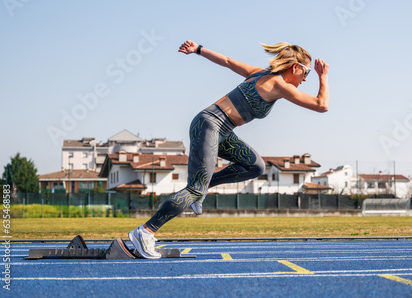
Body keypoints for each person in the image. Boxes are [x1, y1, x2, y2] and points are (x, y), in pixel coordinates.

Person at [129, 40, 329, 258]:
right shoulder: (279, 84)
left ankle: (205, 187)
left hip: (222, 131)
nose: (305, 78)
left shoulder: (257, 73)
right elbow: (322, 105)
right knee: (194, 188)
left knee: (255, 166)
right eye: (306, 72)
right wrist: (323, 76)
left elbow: (227, 61)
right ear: (296, 67)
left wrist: (198, 50)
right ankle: (145, 231)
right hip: (209, 125)